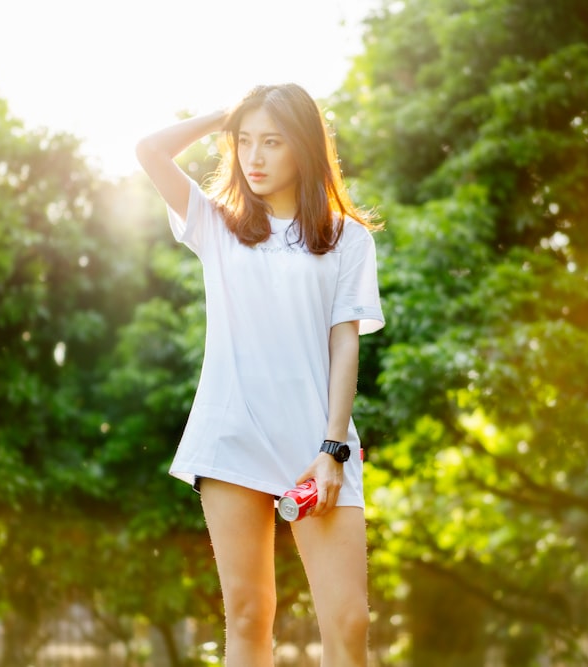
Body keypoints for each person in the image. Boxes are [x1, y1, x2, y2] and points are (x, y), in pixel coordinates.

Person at [135, 83, 384, 667]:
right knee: (248, 616)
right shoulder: (216, 225)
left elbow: (344, 347)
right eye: (245, 142)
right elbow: (148, 150)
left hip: (318, 450)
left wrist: (331, 447)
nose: (255, 157)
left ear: (303, 146)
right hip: (232, 436)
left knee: (349, 622)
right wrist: (230, 112)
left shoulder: (348, 239)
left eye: (272, 141)